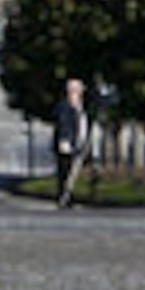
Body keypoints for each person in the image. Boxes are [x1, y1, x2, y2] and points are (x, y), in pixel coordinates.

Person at [54, 77, 91, 208]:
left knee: (72, 172)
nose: (80, 92)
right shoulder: (65, 106)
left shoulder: (78, 105)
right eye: (77, 90)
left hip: (77, 142)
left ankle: (67, 196)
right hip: (67, 144)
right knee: (66, 171)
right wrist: (64, 140)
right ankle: (64, 197)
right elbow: (63, 124)